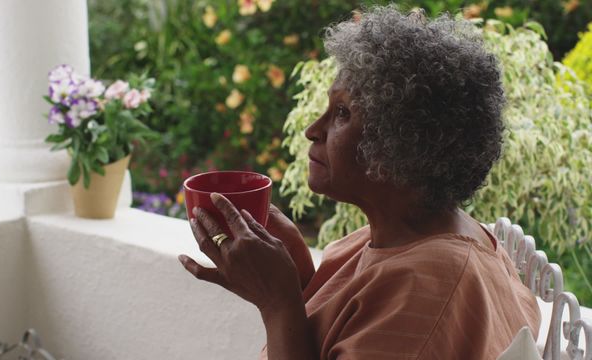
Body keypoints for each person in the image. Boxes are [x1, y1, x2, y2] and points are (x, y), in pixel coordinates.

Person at [178, 5, 540, 360]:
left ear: (403, 143)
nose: (312, 130)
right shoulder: (405, 237)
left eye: (342, 113)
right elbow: (345, 331)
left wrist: (278, 303)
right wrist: (299, 277)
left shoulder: (429, 287)